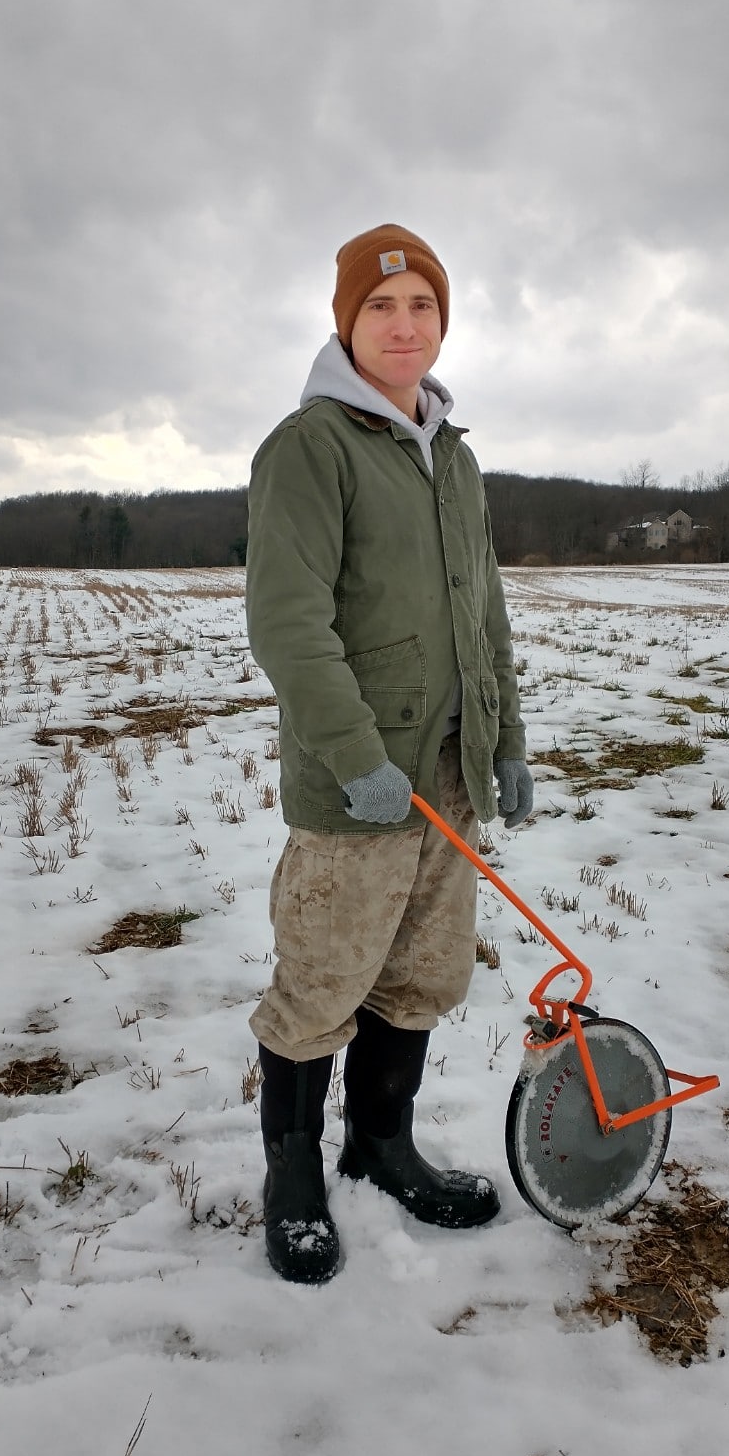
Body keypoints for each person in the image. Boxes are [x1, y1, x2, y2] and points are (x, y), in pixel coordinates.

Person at [244, 224, 533, 1284]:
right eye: (380, 308)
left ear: (443, 322)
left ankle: (381, 1144)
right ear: (347, 324)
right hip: (358, 783)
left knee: (419, 975)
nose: (403, 326)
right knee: (322, 981)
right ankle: (292, 1179)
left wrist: (508, 744)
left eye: (422, 309)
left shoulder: (453, 458)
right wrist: (359, 753)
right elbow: (288, 625)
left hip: (449, 773)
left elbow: (486, 612)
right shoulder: (311, 447)